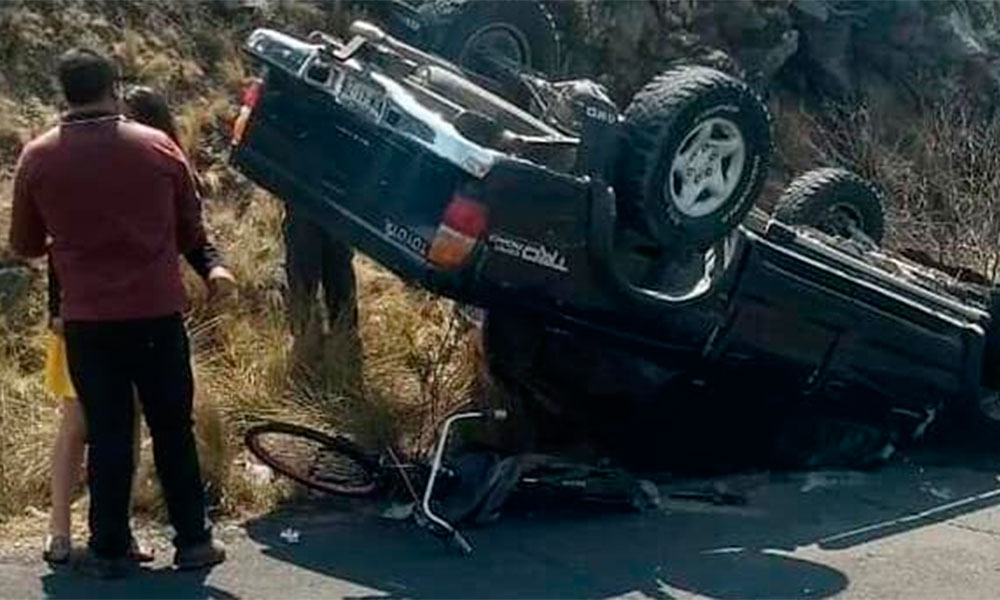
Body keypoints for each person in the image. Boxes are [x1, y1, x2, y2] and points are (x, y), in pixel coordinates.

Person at [8, 48, 225, 578]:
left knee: (106, 431)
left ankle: (108, 546)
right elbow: (190, 229)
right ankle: (193, 541)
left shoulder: (38, 158)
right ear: (115, 87)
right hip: (155, 311)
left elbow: (26, 245)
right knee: (172, 426)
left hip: (88, 319)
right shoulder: (158, 148)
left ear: (65, 92)